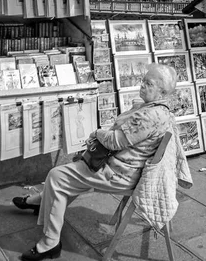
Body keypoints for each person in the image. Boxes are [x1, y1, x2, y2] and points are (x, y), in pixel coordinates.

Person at [12, 64, 177, 261]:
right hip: (124, 167)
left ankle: (50, 242)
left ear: (162, 91)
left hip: (119, 173)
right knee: (68, 176)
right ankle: (40, 203)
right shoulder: (160, 111)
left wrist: (96, 132)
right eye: (143, 80)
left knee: (56, 176)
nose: (141, 85)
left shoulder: (151, 115)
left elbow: (116, 141)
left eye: (148, 83)